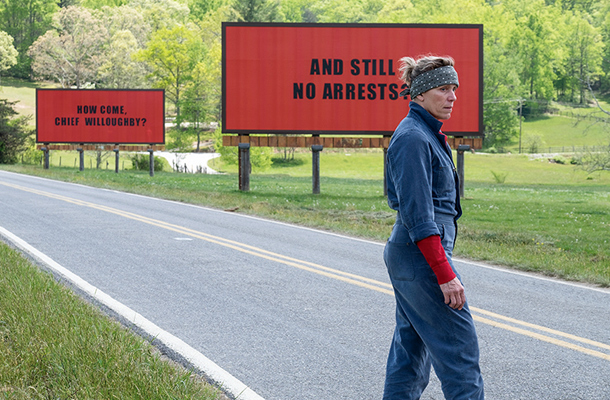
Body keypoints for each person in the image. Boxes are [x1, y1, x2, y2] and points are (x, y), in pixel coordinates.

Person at [383, 55, 484, 400]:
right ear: (420, 94)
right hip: (420, 256)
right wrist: (444, 273)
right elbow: (418, 215)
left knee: (410, 353)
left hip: (415, 255)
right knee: (460, 353)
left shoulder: (425, 134)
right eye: (444, 88)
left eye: (454, 88)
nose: (452, 96)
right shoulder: (413, 138)